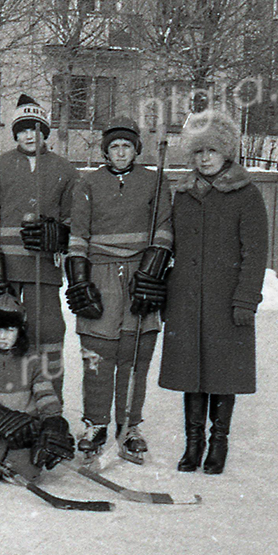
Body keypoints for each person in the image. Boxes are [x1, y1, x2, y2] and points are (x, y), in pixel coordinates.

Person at [159, 109, 267, 475]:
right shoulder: (184, 195)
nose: (205, 158)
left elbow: (255, 254)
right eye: (198, 152)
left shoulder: (246, 196)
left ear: (227, 154)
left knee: (222, 373)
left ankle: (218, 443)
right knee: (192, 371)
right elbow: (169, 245)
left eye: (212, 151)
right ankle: (194, 444)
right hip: (187, 299)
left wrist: (245, 300)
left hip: (226, 301)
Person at [64, 116, 172, 464]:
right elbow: (78, 235)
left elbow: (164, 230)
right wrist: (80, 280)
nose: (121, 152)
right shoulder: (88, 184)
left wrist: (152, 273)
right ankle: (95, 425)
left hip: (141, 276)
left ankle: (129, 427)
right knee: (97, 355)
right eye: (115, 146)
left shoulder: (155, 183)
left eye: (127, 146)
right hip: (101, 274)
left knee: (135, 354)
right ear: (106, 151)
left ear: (136, 149)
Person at [0, 95, 77, 400]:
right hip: (4, 270)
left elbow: (73, 219)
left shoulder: (64, 169)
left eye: (35, 128)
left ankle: (49, 404)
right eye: (22, 129)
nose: (29, 135)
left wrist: (61, 234)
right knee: (0, 332)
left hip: (42, 267)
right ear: (15, 133)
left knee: (47, 334)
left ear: (45, 131)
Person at [0, 295, 74, 484]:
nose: (2, 337)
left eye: (10, 330)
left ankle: (13, 458)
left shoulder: (33, 359)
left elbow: (45, 395)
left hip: (24, 428)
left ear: (20, 331)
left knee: (26, 474)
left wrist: (53, 421)